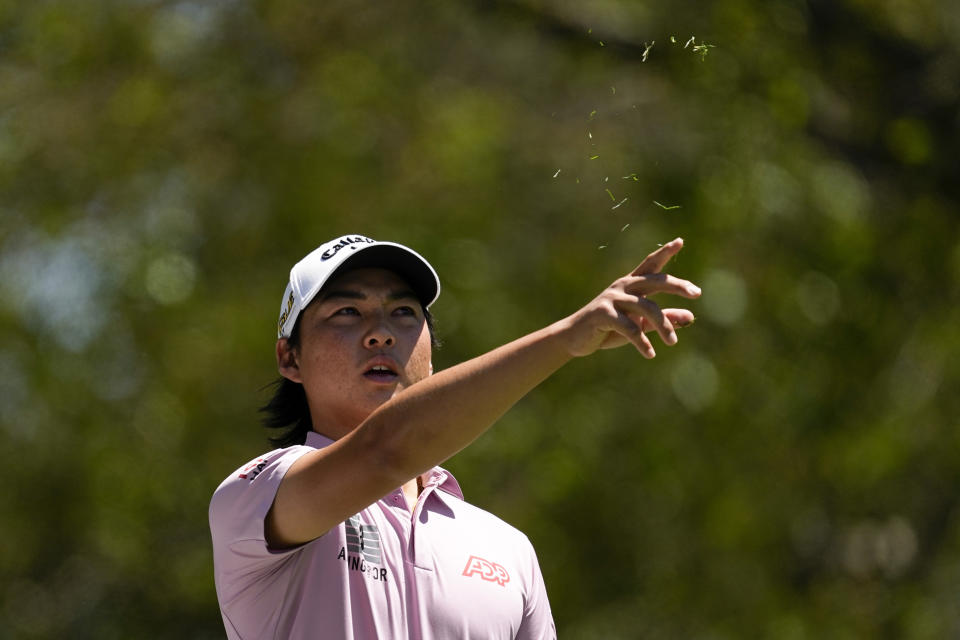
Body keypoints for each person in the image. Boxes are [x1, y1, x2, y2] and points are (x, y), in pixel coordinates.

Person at [209, 233, 700, 639]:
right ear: (289, 358)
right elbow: (386, 451)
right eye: (346, 313)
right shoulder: (255, 499)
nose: (380, 333)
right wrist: (566, 339)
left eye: (404, 312)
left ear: (432, 351)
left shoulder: (507, 550)